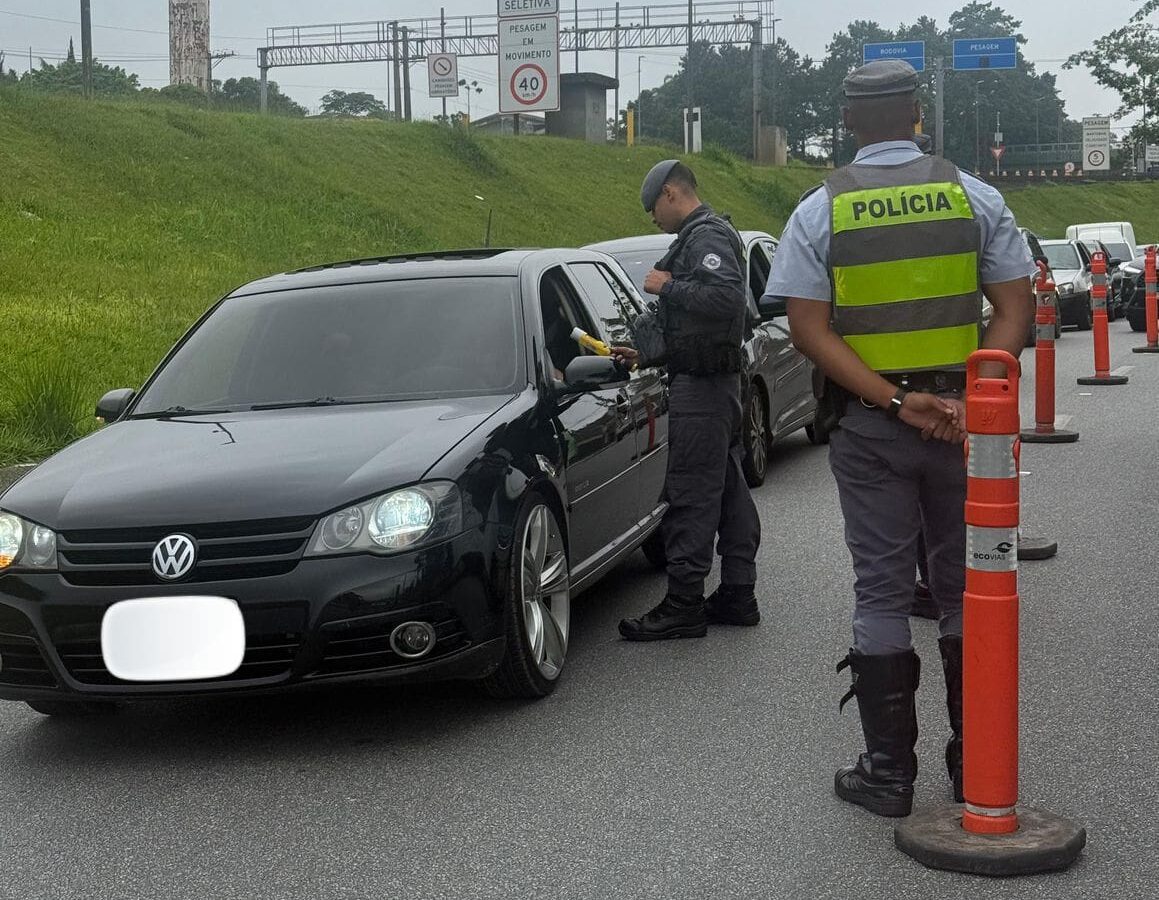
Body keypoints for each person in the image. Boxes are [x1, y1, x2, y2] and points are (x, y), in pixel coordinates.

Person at [765, 60, 1035, 817]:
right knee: (965, 588)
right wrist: (968, 399)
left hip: (873, 426)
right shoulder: (974, 196)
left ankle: (888, 775)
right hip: (964, 430)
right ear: (918, 114)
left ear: (849, 120)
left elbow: (807, 329)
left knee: (881, 590)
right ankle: (975, 763)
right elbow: (1016, 308)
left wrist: (893, 399)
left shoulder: (819, 210)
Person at [613, 160, 762, 641]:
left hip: (704, 387)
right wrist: (648, 353)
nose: (652, 218)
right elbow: (700, 326)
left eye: (652, 208)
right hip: (713, 380)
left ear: (671, 194)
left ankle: (683, 604)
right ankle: (738, 592)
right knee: (728, 488)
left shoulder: (706, 237)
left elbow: (726, 300)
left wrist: (667, 285)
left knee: (692, 493)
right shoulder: (704, 235)